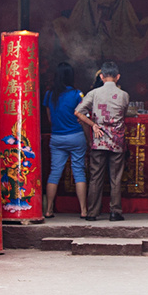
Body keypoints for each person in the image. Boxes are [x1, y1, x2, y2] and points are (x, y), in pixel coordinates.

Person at [75, 61, 131, 221]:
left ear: (101, 76)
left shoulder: (93, 93)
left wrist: (93, 125)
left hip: (98, 141)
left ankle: (92, 213)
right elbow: (124, 114)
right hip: (117, 142)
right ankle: (115, 212)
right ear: (118, 77)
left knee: (95, 177)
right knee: (115, 177)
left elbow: (78, 112)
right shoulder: (124, 95)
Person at [42, 62, 87, 219]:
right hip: (75, 136)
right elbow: (83, 115)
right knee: (79, 171)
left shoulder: (49, 95)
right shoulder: (77, 94)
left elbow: (49, 118)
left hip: (57, 137)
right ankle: (83, 210)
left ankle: (48, 210)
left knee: (55, 172)